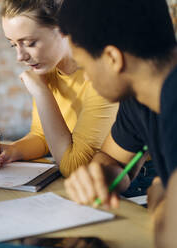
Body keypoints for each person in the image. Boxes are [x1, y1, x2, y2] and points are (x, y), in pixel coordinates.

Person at [58, 0, 177, 212]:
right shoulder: (139, 98)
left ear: (112, 58)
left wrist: (160, 200)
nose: (86, 76)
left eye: (84, 66)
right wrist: (100, 175)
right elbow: (114, 159)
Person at [0, 0, 118, 177]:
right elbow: (43, 136)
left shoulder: (101, 74)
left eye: (30, 43)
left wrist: (41, 92)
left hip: (132, 183)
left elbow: (76, 167)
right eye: (13, 44)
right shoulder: (48, 69)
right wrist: (13, 150)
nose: (20, 57)